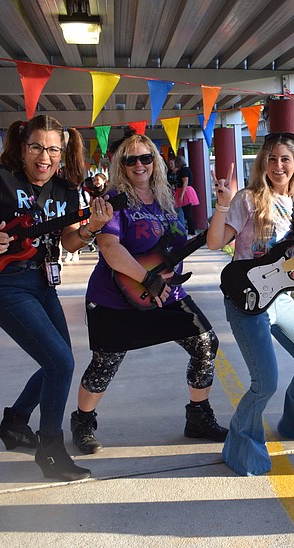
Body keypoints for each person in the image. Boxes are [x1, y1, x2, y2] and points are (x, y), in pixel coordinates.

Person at [0, 114, 111, 481]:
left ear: (62, 152)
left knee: (57, 361)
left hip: (42, 283)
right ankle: (50, 451)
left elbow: (67, 241)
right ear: (22, 146)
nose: (44, 157)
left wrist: (91, 230)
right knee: (60, 363)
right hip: (2, 284)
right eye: (36, 147)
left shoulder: (66, 190)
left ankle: (15, 423)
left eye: (53, 149)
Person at [69, 134, 227, 456]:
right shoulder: (114, 200)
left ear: (155, 161)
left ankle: (198, 416)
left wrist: (223, 206)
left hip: (167, 293)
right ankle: (83, 422)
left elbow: (198, 241)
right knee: (105, 364)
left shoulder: (165, 198)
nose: (139, 165)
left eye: (145, 158)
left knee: (205, 343)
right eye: (130, 159)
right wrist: (147, 279)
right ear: (120, 165)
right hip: (115, 298)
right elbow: (110, 248)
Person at [207, 132, 294, 476]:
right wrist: (222, 203)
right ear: (264, 163)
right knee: (265, 382)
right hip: (247, 302)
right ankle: (241, 445)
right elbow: (216, 241)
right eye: (273, 159)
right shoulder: (247, 200)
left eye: (286, 160)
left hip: (280, 299)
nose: (279, 166)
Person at [170, 156, 197, 233]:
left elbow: (185, 182)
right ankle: (191, 231)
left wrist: (182, 195)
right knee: (187, 212)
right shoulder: (184, 169)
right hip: (183, 190)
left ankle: (192, 232)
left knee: (188, 213)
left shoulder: (184, 170)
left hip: (184, 191)